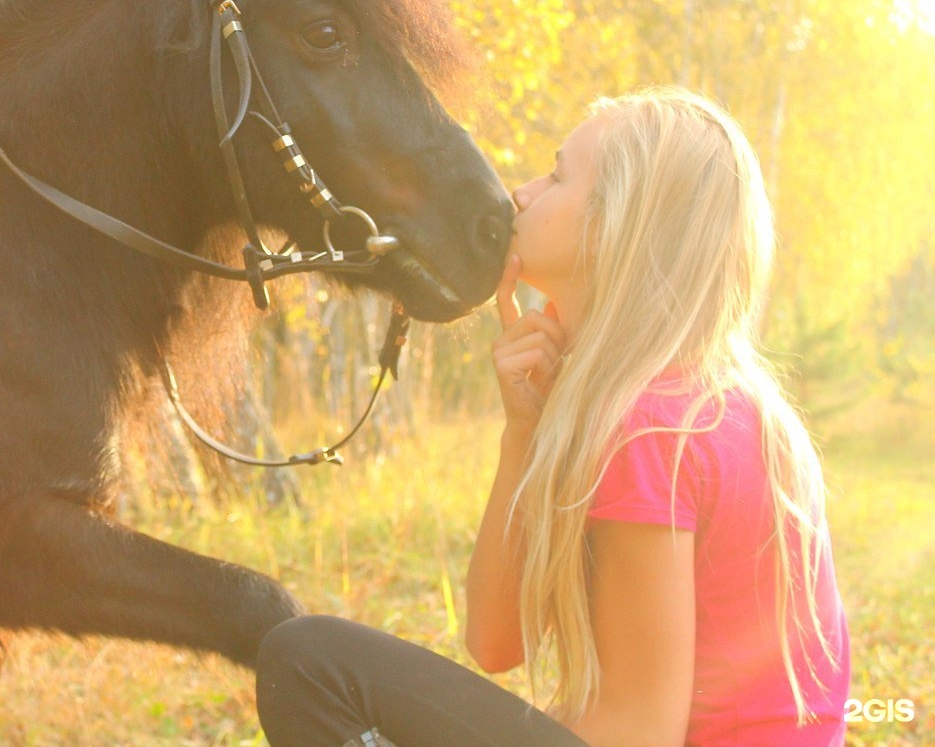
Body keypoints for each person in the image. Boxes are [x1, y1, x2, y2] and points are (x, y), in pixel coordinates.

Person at [254, 86, 849, 747]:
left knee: (309, 664)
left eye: (558, 175)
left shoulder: (655, 428)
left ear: (614, 226)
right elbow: (495, 639)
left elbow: (637, 733)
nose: (521, 193)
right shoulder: (701, 401)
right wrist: (524, 433)